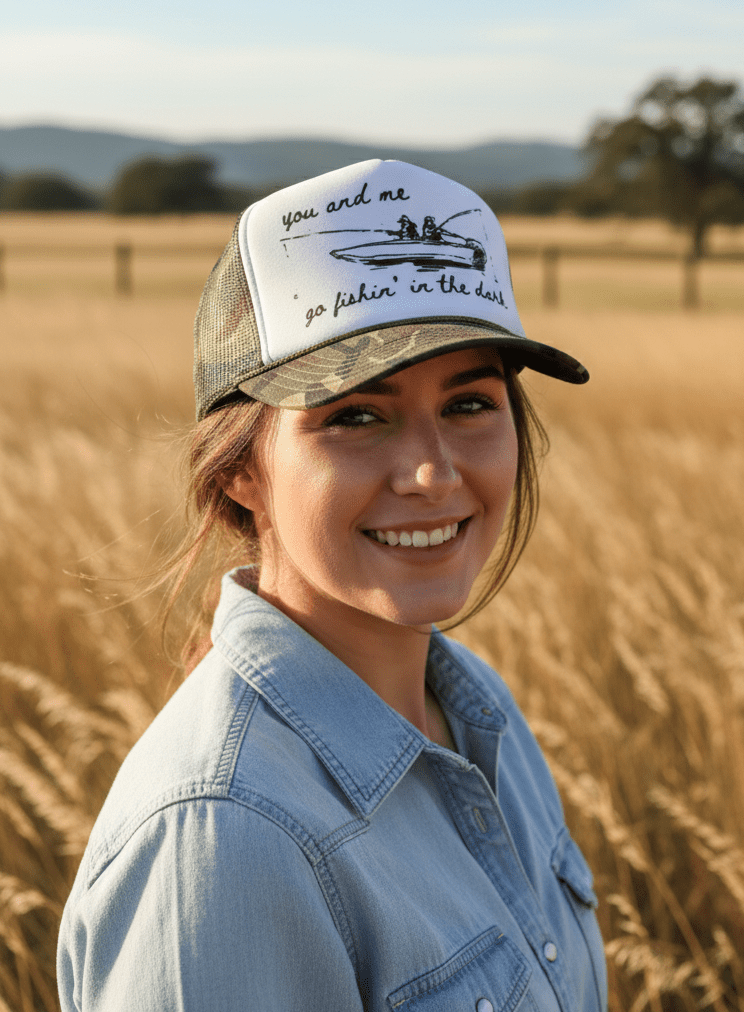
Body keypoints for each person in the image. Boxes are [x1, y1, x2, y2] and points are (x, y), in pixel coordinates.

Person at [57, 159, 607, 1011]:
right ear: (241, 468)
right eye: (355, 415)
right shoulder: (225, 836)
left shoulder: (479, 716)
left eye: (470, 404)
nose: (431, 472)